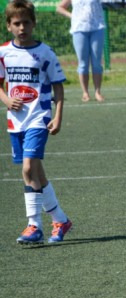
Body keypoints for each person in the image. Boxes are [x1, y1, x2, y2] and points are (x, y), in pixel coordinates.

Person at [1, 0, 72, 245]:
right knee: (36, 173)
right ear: (8, 26)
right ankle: (61, 219)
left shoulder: (45, 53)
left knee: (28, 169)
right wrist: (6, 100)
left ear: (34, 24)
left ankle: (34, 225)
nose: (22, 27)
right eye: (16, 23)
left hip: (38, 118)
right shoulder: (3, 53)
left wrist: (58, 116)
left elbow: (58, 87)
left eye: (26, 22)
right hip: (15, 122)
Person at [55, 0, 106, 102]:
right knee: (83, 63)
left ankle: (98, 92)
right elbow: (59, 8)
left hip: (97, 27)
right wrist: (72, 16)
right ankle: (85, 93)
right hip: (79, 29)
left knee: (97, 63)